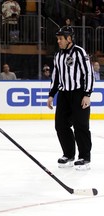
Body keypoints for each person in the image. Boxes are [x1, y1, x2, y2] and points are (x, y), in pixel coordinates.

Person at [47, 26, 94, 171]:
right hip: (64, 95)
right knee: (60, 125)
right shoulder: (58, 55)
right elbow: (56, 77)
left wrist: (87, 94)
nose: (58, 41)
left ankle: (84, 157)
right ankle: (68, 155)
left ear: (69, 38)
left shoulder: (79, 52)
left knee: (81, 126)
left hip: (79, 93)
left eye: (61, 38)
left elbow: (89, 73)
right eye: (57, 39)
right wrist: (51, 94)